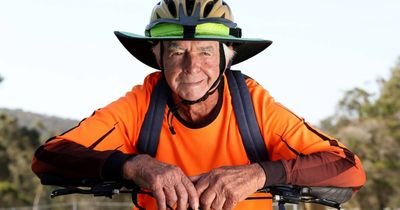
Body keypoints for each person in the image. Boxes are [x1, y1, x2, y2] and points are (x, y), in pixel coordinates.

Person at [32, 0, 366, 210]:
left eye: (206, 51)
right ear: (158, 57)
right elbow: (48, 156)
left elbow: (348, 167)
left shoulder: (253, 104)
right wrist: (135, 166)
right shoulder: (141, 104)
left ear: (226, 57)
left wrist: (259, 173)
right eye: (177, 51)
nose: (192, 67)